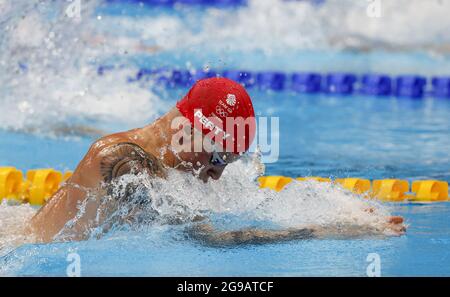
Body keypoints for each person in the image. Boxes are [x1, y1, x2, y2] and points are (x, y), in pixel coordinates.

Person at [27, 77, 406, 244]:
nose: (215, 174)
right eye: (219, 156)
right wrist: (328, 230)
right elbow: (209, 240)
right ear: (190, 129)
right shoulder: (123, 163)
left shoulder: (160, 168)